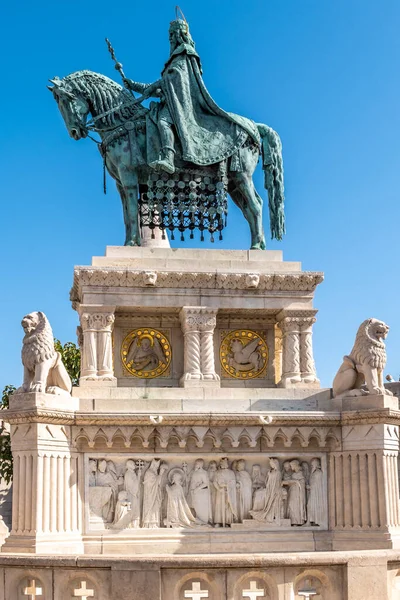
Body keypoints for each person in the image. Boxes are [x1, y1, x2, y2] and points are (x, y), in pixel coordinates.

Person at [123, 17, 257, 174]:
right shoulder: (176, 57)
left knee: (163, 121)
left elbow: (175, 77)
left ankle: (168, 158)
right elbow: (166, 87)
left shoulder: (185, 52)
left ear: (180, 34)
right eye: (169, 36)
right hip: (172, 101)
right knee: (152, 118)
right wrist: (133, 85)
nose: (170, 39)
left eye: (172, 35)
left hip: (182, 105)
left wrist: (153, 87)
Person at [250, 458, 282, 524]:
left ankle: (262, 513)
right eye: (270, 464)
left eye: (271, 464)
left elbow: (277, 483)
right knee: (257, 493)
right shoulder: (270, 471)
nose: (270, 465)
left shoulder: (278, 473)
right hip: (268, 488)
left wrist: (270, 489)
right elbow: (266, 482)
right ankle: (256, 510)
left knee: (259, 494)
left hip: (273, 490)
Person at [142, 459, 168, 528]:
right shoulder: (149, 473)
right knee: (152, 508)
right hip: (150, 495)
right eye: (156, 467)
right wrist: (160, 474)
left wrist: (160, 474)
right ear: (153, 465)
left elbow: (158, 483)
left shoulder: (154, 473)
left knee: (156, 508)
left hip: (155, 494)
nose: (157, 468)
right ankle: (150, 524)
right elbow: (153, 483)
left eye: (157, 467)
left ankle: (155, 524)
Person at [213, 457, 238, 527]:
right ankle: (218, 521)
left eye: (225, 462)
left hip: (229, 492)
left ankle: (228, 521)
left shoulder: (231, 472)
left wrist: (228, 485)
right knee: (219, 506)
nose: (223, 464)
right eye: (222, 462)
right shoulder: (217, 472)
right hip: (220, 492)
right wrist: (219, 488)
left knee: (228, 507)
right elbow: (214, 482)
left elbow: (233, 482)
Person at [282, 460, 307, 526]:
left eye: (291, 465)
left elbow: (299, 482)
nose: (290, 467)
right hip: (292, 491)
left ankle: (297, 521)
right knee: (291, 505)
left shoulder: (300, 473)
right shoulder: (294, 474)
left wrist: (292, 481)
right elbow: (291, 481)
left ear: (295, 465)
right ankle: (292, 521)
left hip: (297, 492)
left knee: (295, 505)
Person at [187, 459, 212, 524]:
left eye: (197, 464)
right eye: (195, 463)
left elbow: (205, 483)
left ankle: (203, 521)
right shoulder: (194, 472)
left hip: (199, 493)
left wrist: (197, 489)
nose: (195, 465)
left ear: (200, 465)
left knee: (199, 508)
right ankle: (196, 520)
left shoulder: (203, 473)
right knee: (193, 506)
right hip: (193, 492)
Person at [307, 458, 324, 526]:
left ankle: (313, 521)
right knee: (309, 505)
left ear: (316, 464)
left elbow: (318, 484)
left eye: (312, 464)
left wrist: (310, 487)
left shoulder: (318, 473)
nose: (311, 465)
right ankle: (309, 521)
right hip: (313, 492)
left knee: (310, 505)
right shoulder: (314, 472)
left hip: (316, 494)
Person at [124, 460, 140, 528]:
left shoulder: (132, 473)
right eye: (133, 464)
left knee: (135, 509)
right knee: (132, 509)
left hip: (134, 494)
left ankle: (135, 525)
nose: (135, 465)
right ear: (129, 465)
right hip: (131, 494)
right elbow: (132, 486)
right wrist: (138, 476)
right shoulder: (128, 474)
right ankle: (131, 525)